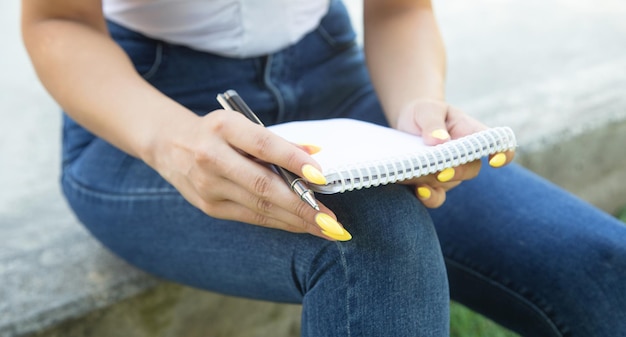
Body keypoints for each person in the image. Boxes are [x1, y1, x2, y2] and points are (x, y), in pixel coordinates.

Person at [20, 0, 626, 335]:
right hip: (145, 108)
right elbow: (57, 21)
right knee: (367, 239)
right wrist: (175, 144)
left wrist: (415, 121)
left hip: (335, 78)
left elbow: (399, 8)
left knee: (602, 268)